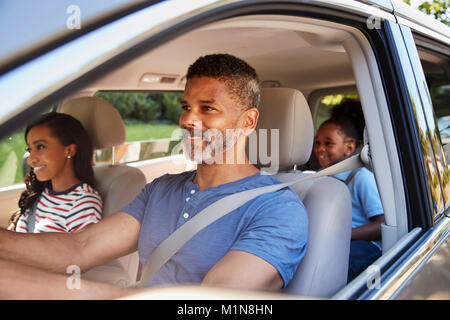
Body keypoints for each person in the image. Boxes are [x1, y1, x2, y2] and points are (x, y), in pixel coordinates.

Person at [0, 54, 308, 299]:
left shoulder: (278, 209)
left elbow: (212, 300)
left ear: (247, 121)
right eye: (186, 106)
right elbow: (80, 248)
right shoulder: (162, 188)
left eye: (207, 108)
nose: (187, 119)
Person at [313, 98, 385, 282]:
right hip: (332, 240)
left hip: (363, 245)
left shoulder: (360, 178)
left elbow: (381, 224)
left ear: (349, 147)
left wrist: (345, 234)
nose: (320, 149)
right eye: (317, 142)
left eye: (328, 143)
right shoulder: (320, 176)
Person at [7, 112, 103, 233]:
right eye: (30, 149)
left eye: (40, 147)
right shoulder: (40, 193)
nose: (31, 160)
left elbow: (81, 251)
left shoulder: (83, 203)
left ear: (69, 150)